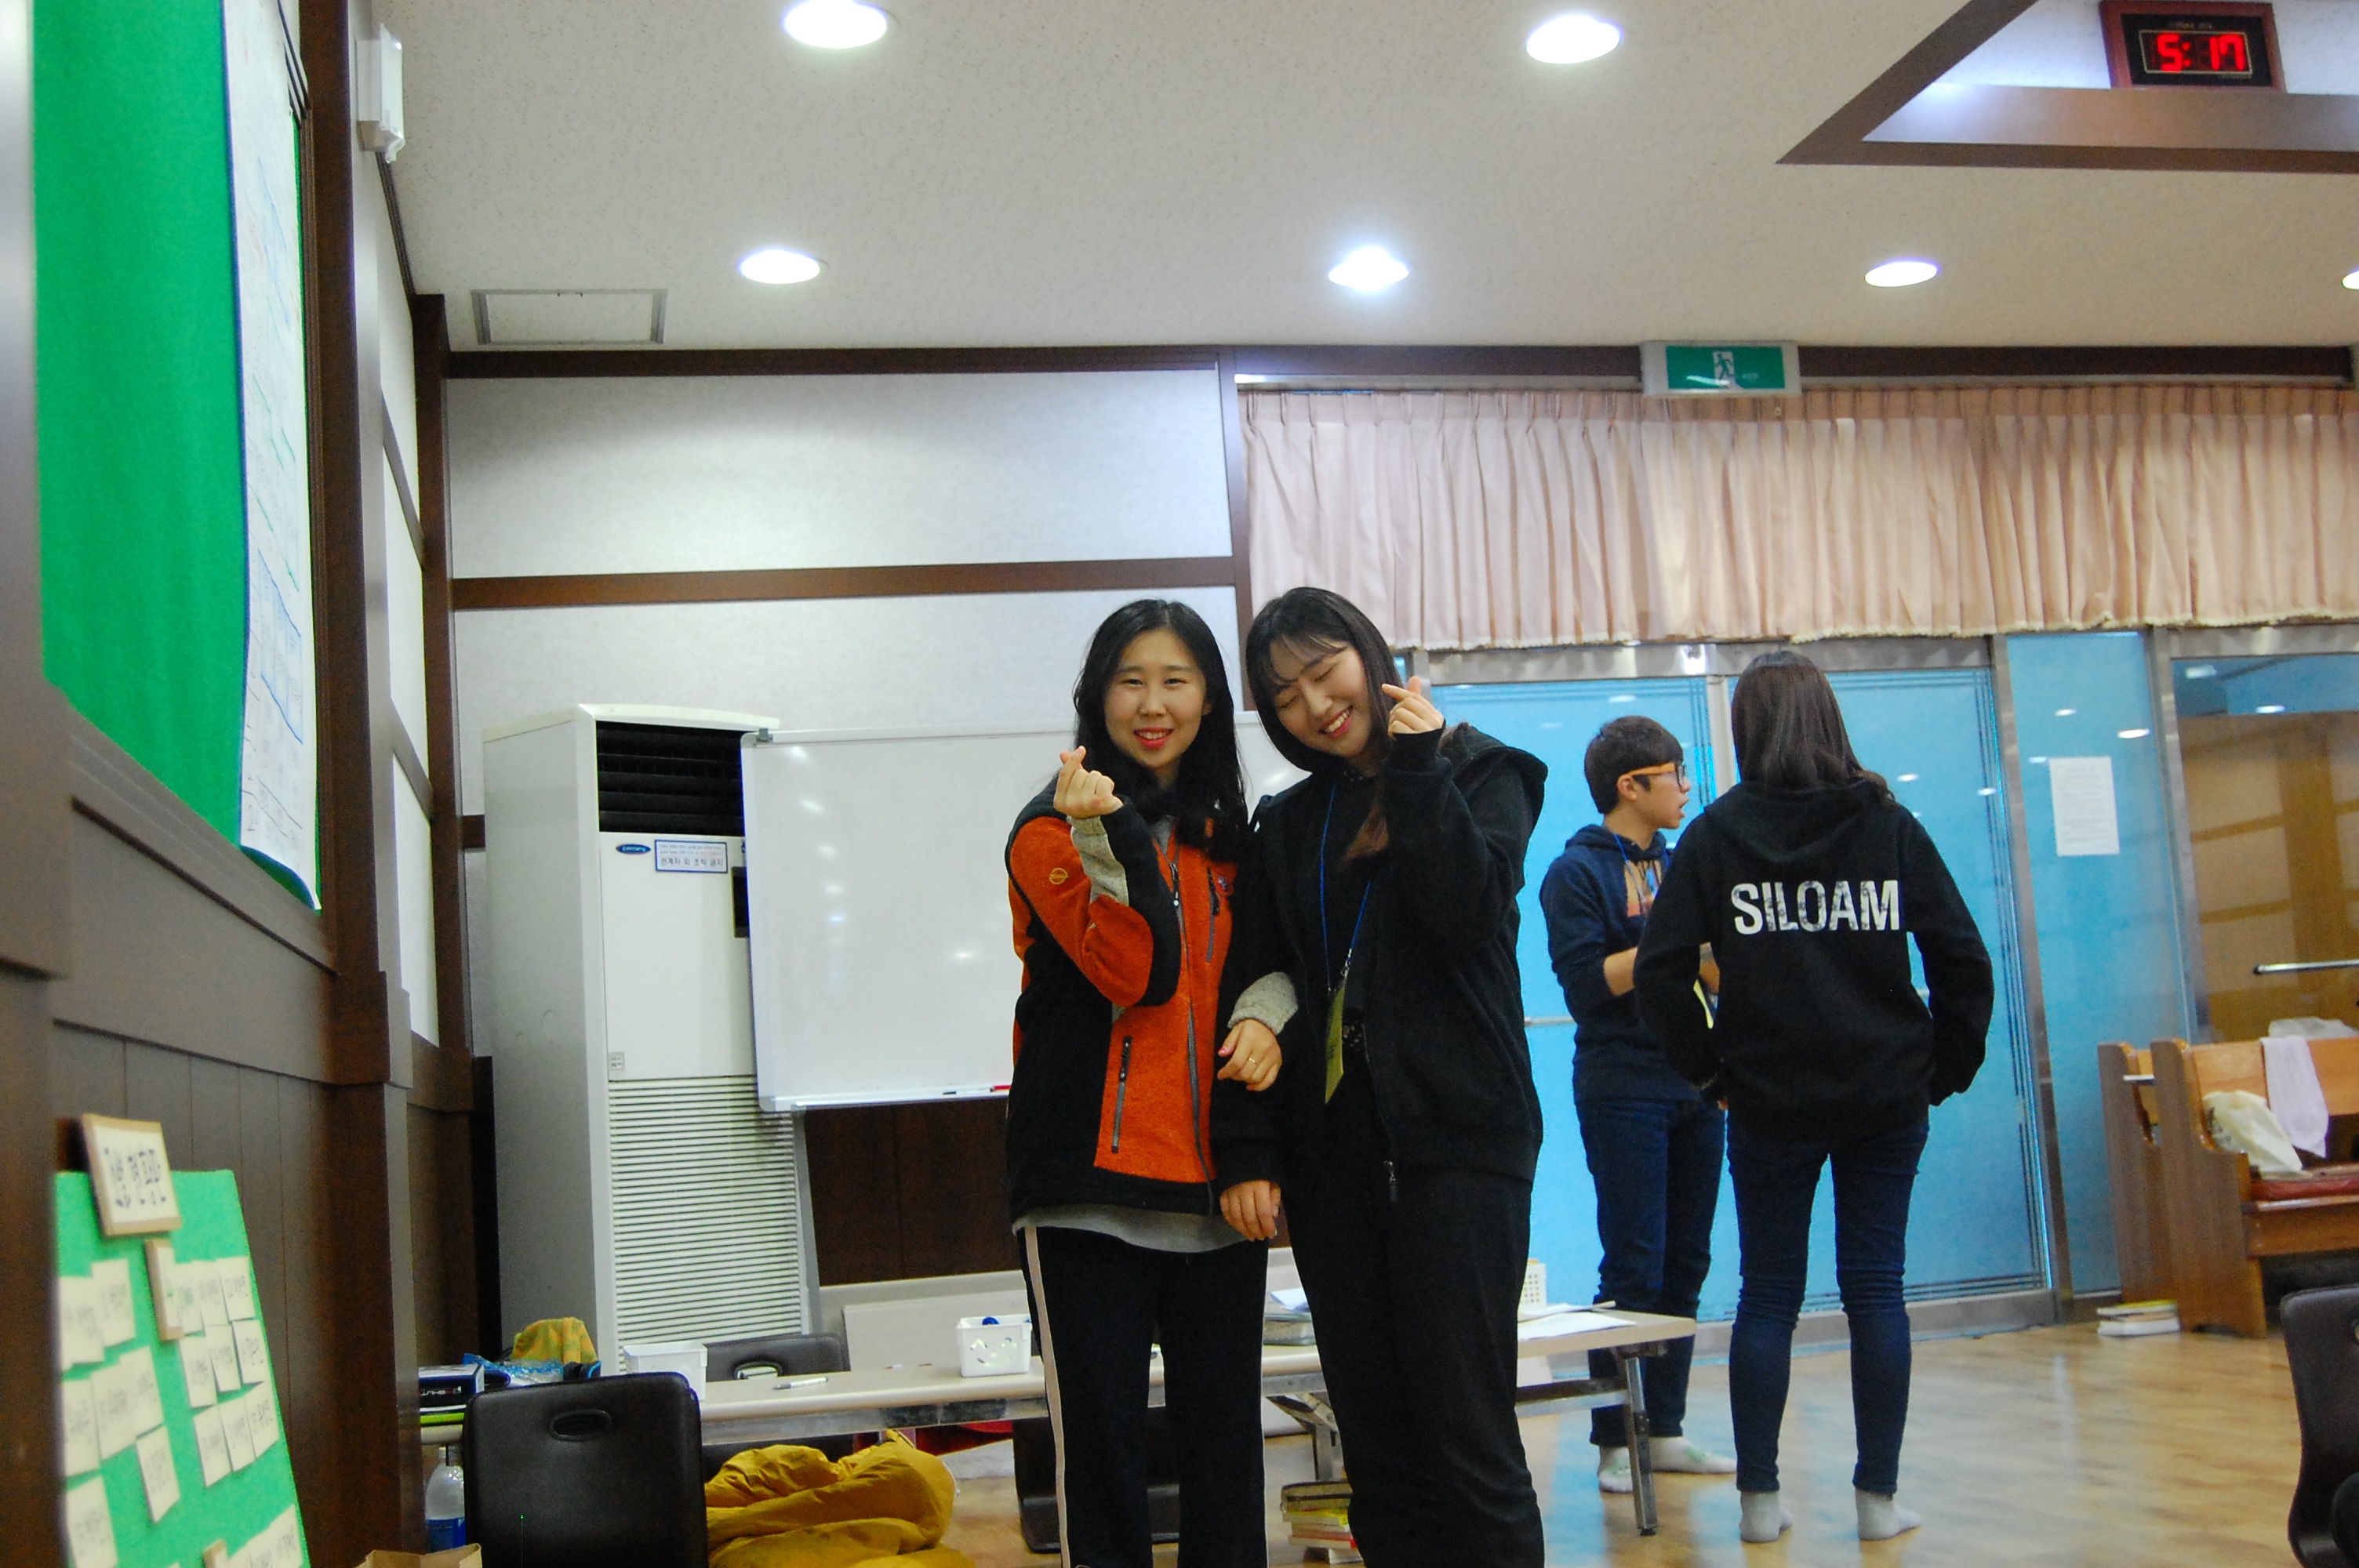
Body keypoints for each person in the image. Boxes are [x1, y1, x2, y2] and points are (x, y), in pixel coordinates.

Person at [1217, 586, 1550, 1568]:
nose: (1314, 707)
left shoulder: (1480, 770)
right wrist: (1251, 1136)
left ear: (1368, 654)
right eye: (1284, 697)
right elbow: (1264, 974)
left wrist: (1415, 768)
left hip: (1457, 1144)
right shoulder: (1289, 821)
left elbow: (1464, 911)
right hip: (1334, 1160)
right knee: (1377, 1445)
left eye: (1325, 673)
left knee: (1466, 1434)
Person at [1634, 650, 1994, 1546]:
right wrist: (1940, 1069)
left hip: (1767, 1097)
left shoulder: (1715, 834)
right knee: (1875, 1288)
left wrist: (1710, 1072)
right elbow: (1961, 957)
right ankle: (1876, 1500)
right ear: (1828, 719)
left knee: (1766, 1293)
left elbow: (1658, 972)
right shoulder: (1885, 823)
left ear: (1744, 730)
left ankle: (1758, 1502)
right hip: (1883, 1093)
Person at [1002, 598, 1296, 1568]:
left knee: (1225, 1447)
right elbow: (1138, 971)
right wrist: (1112, 831)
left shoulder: (1231, 836)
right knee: (1102, 1451)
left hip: (1217, 1187)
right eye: (1130, 680)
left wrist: (1267, 1016)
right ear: (1098, 697)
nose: (1152, 703)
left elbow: (1279, 963)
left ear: (1209, 698)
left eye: (1175, 679)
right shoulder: (1050, 828)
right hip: (1085, 1190)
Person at [1536, 716, 1736, 1494]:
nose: (1686, 788)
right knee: (1633, 1262)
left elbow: (1713, 973)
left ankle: (1666, 1428)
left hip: (1698, 1080)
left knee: (1687, 1260)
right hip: (1621, 1084)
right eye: (1675, 773)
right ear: (1631, 785)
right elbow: (1587, 986)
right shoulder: (1574, 872)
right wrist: (1677, 947)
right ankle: (1613, 1437)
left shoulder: (1687, 864)